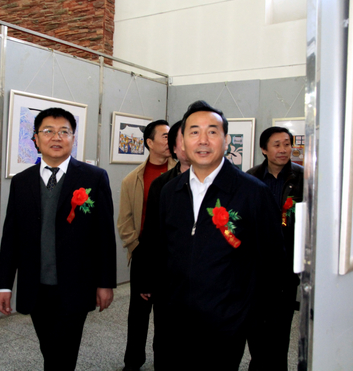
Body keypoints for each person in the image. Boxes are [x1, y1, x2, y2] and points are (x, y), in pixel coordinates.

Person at [155, 101, 287, 370]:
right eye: (194, 132)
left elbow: (273, 262)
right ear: (182, 141)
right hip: (175, 318)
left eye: (212, 132)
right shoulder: (170, 191)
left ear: (226, 140)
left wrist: (251, 316)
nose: (203, 140)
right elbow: (163, 251)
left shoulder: (252, 192)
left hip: (227, 322)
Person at [0, 107, 117, 371]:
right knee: (49, 347)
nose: (56, 137)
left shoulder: (93, 178)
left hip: (76, 283)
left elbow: (105, 235)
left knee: (64, 351)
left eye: (64, 131)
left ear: (73, 138)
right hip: (35, 284)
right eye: (48, 131)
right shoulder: (22, 181)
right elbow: (11, 236)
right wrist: (4, 284)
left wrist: (105, 282)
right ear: (36, 139)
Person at [117, 119, 175, 371]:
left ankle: (164, 359)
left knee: (167, 314)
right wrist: (136, 248)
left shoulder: (182, 173)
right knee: (138, 314)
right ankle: (133, 362)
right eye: (165, 136)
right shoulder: (132, 179)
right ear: (149, 142)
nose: (170, 140)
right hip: (142, 252)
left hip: (171, 256)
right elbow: (124, 221)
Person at [132, 120, 191, 368]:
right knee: (165, 338)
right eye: (183, 139)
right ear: (175, 148)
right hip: (166, 274)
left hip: (206, 280)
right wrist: (146, 278)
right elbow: (151, 234)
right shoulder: (163, 184)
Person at [246, 126, 304, 371]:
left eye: (287, 144)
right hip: (256, 266)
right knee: (256, 327)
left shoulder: (304, 178)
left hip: (287, 265)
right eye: (277, 145)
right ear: (263, 149)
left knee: (281, 328)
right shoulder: (251, 178)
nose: (283, 149)